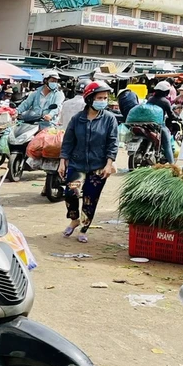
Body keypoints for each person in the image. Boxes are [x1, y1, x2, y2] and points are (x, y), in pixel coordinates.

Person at [58, 81, 118, 244]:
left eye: (105, 98)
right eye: (100, 97)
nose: (103, 101)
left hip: (99, 167)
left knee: (90, 199)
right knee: (71, 193)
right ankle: (74, 219)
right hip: (77, 164)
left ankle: (84, 228)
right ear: (90, 98)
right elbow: (68, 141)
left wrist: (109, 163)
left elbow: (113, 142)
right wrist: (63, 161)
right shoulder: (77, 119)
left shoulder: (110, 119)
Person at [146, 81, 179, 164]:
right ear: (166, 92)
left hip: (147, 123)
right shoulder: (165, 101)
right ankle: (172, 164)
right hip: (158, 124)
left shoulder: (150, 99)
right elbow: (171, 114)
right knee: (167, 144)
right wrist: (177, 118)